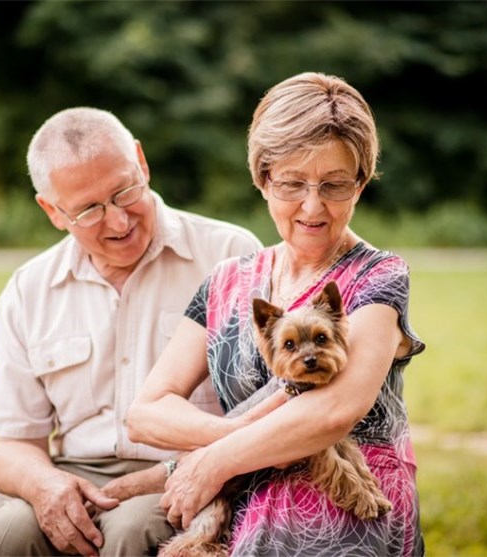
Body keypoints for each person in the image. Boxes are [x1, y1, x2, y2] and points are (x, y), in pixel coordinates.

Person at [126, 72, 426, 556]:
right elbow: (145, 413)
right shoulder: (226, 282)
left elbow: (332, 413)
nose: (313, 206)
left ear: (362, 183)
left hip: (348, 514)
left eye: (335, 184)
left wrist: (214, 461)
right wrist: (230, 439)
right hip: (235, 514)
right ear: (262, 179)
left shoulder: (380, 278)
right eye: (291, 183)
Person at [0, 107, 262, 557]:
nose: (119, 222)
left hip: (189, 471)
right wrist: (46, 486)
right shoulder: (30, 289)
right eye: (88, 210)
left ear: (141, 163)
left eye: (125, 192)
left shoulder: (229, 255)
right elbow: (8, 444)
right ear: (53, 211)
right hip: (73, 474)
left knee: (129, 533)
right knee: (2, 541)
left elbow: (268, 408)